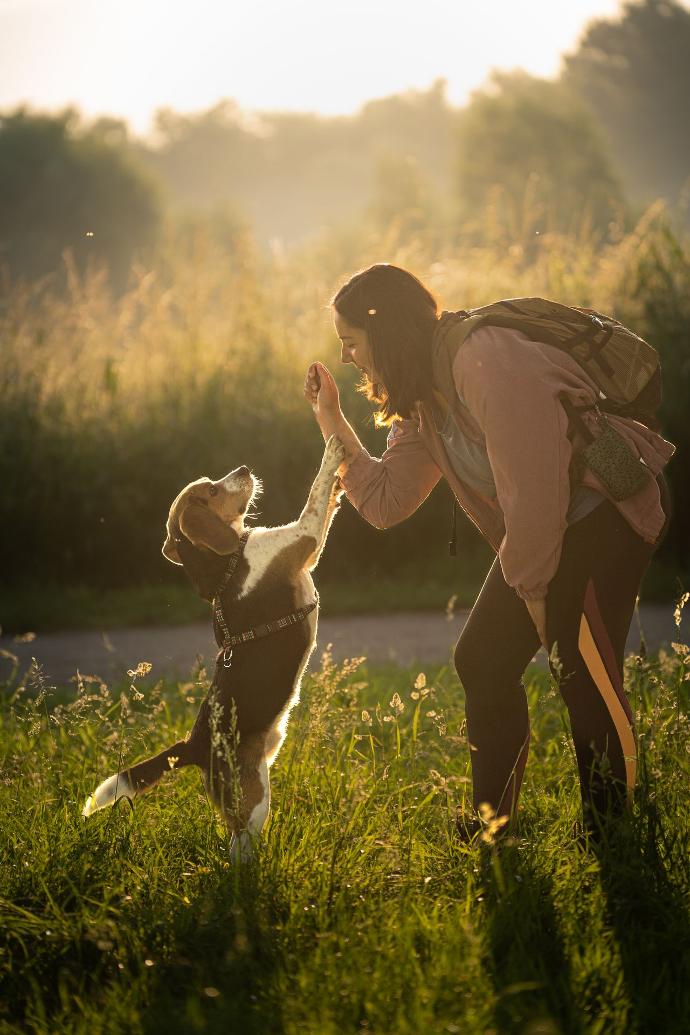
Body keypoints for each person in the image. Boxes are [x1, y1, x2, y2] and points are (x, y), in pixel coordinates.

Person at [303, 263, 675, 841]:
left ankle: (615, 836)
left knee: (581, 671)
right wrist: (331, 420)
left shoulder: (485, 360)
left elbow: (536, 486)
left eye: (350, 341)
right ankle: (492, 825)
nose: (347, 356)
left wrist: (532, 590)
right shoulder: (423, 398)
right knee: (483, 661)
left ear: (385, 330)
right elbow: (385, 501)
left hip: (603, 514)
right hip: (547, 527)